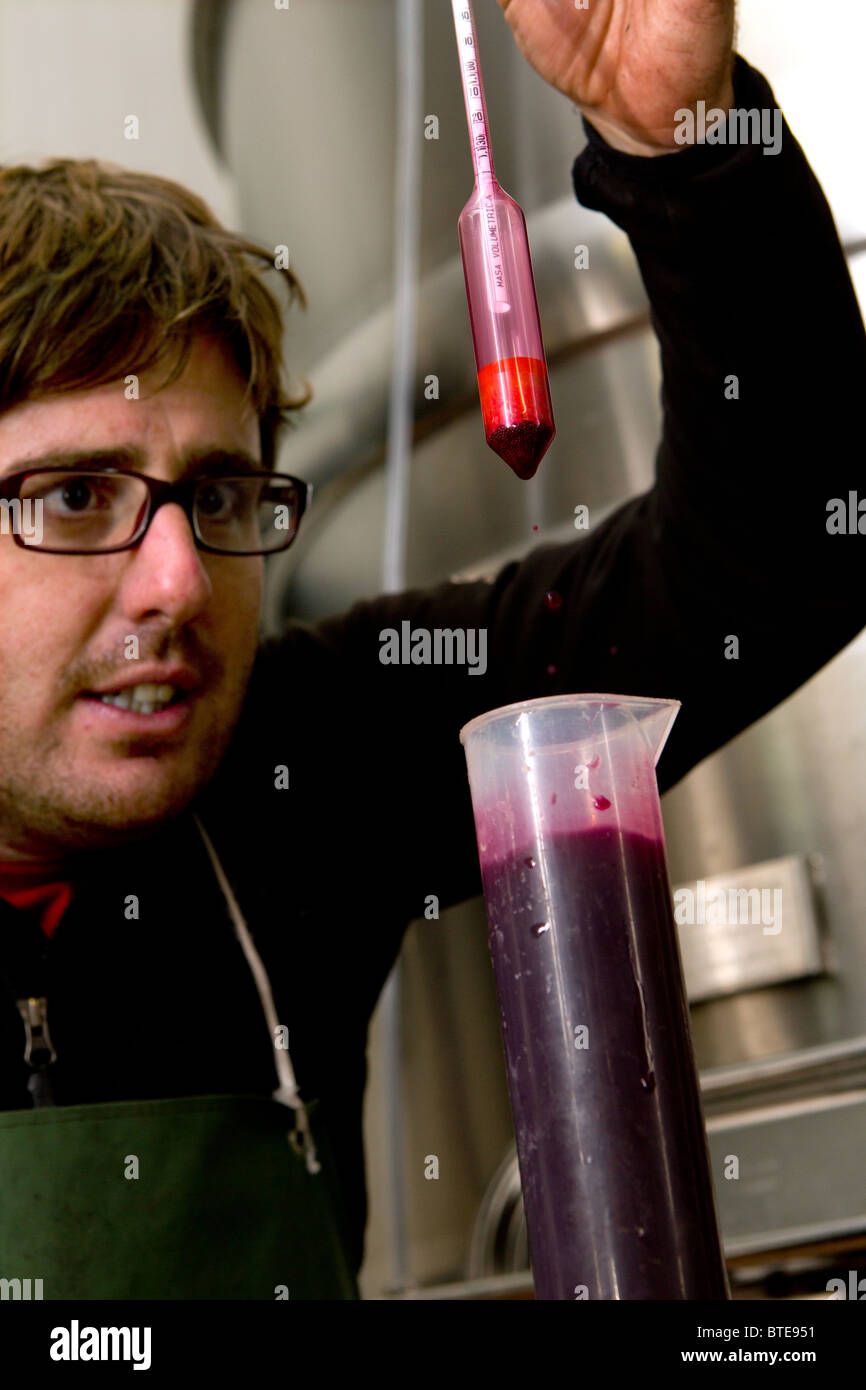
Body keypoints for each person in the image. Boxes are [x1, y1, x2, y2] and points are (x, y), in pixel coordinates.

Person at [0, 0, 863, 1299]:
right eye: (77, 498)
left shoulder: (300, 767)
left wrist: (688, 141)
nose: (179, 582)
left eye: (223, 496)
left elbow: (777, 551)